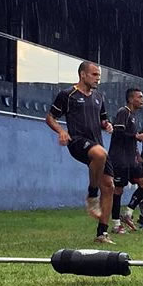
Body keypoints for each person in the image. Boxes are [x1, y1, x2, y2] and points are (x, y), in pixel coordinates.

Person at [46, 61, 115, 244]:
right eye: (94, 75)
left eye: (99, 76)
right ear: (82, 75)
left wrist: (107, 125)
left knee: (109, 186)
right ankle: (92, 194)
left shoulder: (99, 97)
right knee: (100, 154)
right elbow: (50, 117)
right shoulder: (67, 95)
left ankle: (102, 233)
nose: (97, 79)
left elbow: (103, 119)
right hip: (77, 141)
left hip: (97, 143)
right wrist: (61, 131)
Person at [109, 88, 143, 234]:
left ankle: (127, 213)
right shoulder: (124, 112)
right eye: (140, 97)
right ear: (131, 99)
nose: (142, 100)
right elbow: (118, 133)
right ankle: (116, 224)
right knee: (118, 190)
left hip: (131, 159)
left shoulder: (134, 116)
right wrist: (136, 136)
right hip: (119, 158)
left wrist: (137, 153)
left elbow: (131, 136)